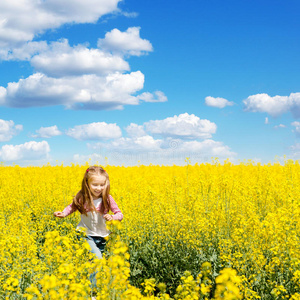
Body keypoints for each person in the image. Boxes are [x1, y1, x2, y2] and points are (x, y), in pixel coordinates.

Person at [54, 166, 123, 259]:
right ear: (87, 183)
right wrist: (63, 213)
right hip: (85, 234)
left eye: (102, 185)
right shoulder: (82, 197)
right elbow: (72, 207)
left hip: (102, 236)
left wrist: (112, 217)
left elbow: (119, 214)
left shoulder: (107, 198)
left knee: (93, 264)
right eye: (95, 184)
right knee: (97, 259)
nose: (99, 188)